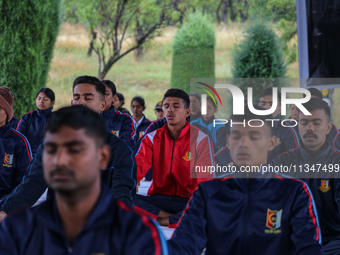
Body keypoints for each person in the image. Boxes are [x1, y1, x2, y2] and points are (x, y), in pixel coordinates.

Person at [0, 105, 167, 254]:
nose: (60, 160)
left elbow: (123, 187)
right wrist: (6, 210)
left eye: (74, 150)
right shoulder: (17, 229)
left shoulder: (139, 233)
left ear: (102, 157)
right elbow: (31, 183)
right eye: (51, 150)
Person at [168, 105, 323, 255]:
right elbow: (183, 244)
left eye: (254, 136)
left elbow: (308, 247)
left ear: (271, 143)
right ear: (228, 142)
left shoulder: (294, 191)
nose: (243, 144)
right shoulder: (208, 192)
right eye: (236, 136)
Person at [0, 76, 136, 221]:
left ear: (102, 105)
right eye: (76, 97)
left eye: (88, 98)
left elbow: (122, 192)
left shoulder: (119, 150)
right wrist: (6, 211)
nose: (81, 102)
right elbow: (32, 183)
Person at [135, 89, 214, 227]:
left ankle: (160, 219)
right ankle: (172, 218)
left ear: (187, 112)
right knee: (121, 195)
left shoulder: (201, 139)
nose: (170, 110)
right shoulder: (151, 139)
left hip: (188, 200)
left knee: (211, 206)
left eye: (176, 106)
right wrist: (131, 183)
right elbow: (136, 169)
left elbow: (205, 181)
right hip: (158, 199)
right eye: (166, 106)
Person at [271, 98, 340, 255]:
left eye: (316, 123)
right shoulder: (280, 163)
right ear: (298, 126)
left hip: (333, 244)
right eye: (304, 123)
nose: (310, 128)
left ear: (328, 127)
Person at [0, 87, 32, 200]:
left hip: (5, 204)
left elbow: (25, 179)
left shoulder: (18, 141)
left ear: (8, 112)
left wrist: (7, 204)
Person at [16, 88, 55, 155]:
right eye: (39, 98)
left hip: (48, 156)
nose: (41, 101)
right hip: (28, 156)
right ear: (35, 100)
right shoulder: (27, 117)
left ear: (52, 103)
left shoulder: (56, 118)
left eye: (45, 99)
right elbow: (18, 137)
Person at [101, 79, 135, 146]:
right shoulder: (87, 119)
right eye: (99, 93)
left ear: (114, 97)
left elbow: (126, 147)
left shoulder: (124, 119)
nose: (102, 97)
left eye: (106, 94)